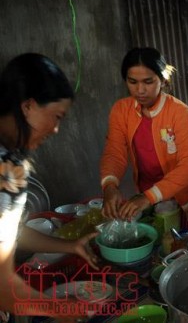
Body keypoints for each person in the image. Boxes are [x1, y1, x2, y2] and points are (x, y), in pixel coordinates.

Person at [0, 53, 99, 320]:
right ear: (28, 106)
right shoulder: (7, 169)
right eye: (57, 116)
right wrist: (63, 309)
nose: (56, 129)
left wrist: (71, 245)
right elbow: (4, 289)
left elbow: (9, 235)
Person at [100, 47, 188, 220]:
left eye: (148, 81)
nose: (140, 90)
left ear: (162, 79)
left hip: (179, 195)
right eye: (132, 82)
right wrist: (109, 186)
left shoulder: (179, 111)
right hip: (144, 193)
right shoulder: (121, 110)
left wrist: (148, 197)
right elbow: (114, 153)